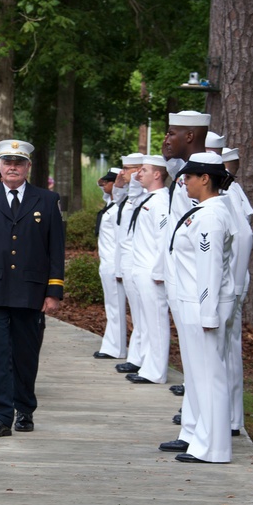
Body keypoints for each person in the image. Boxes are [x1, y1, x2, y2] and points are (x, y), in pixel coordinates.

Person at [0, 139, 65, 437]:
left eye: (19, 163)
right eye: (7, 162)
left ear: (28, 167)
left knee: (25, 355)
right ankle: (0, 417)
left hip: (30, 291)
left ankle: (25, 408)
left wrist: (53, 291)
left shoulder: (46, 200)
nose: (13, 167)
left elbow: (55, 249)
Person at [159, 152, 236, 463]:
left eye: (189, 176)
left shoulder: (210, 217)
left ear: (206, 179)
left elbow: (210, 270)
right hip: (192, 302)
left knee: (209, 376)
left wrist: (208, 313)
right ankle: (194, 435)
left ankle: (213, 447)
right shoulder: (202, 211)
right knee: (197, 375)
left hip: (203, 305)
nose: (184, 181)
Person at [160, 110, 211, 400]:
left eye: (171, 133)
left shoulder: (202, 176)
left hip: (193, 275)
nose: (166, 139)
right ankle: (194, 414)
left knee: (202, 356)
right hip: (179, 271)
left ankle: (202, 420)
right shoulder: (184, 171)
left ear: (190, 136)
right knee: (191, 352)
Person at [125, 154, 171, 385]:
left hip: (152, 270)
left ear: (157, 174)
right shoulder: (147, 198)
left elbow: (163, 238)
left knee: (156, 321)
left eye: (143, 170)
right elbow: (133, 192)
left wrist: (159, 271)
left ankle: (156, 370)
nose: (137, 174)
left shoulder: (161, 202)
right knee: (146, 320)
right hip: (140, 268)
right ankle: (147, 363)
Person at [219, 147, 253, 436]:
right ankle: (222, 414)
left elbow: (243, 237)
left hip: (229, 284)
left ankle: (231, 418)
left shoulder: (229, 193)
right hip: (223, 284)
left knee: (228, 351)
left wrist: (236, 286)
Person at [115, 152, 146, 375]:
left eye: (128, 169)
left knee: (144, 316)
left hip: (139, 262)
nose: (123, 173)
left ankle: (142, 358)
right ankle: (137, 355)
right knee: (137, 314)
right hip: (127, 262)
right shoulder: (130, 196)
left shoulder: (146, 197)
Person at [93, 166, 128, 360]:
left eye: (109, 181)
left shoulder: (119, 209)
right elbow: (105, 190)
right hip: (106, 263)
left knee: (116, 307)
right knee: (111, 307)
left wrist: (120, 185)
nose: (103, 184)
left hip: (114, 265)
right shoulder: (111, 205)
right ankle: (112, 344)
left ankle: (116, 347)